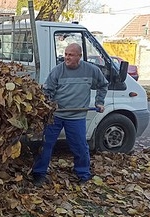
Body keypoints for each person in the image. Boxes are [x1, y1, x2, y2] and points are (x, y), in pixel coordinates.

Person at [32, 43, 109, 187]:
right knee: (46, 145)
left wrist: (99, 102)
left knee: (80, 146)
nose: (66, 57)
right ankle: (38, 174)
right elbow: (47, 92)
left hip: (76, 116)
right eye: (65, 54)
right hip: (56, 115)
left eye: (70, 55)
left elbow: (103, 85)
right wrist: (46, 106)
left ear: (79, 56)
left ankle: (83, 174)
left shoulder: (91, 70)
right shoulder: (57, 71)